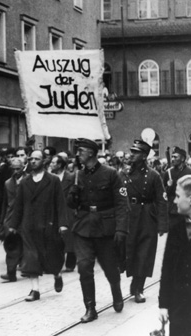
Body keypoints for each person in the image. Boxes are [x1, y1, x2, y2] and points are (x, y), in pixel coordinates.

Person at [67, 138, 129, 324]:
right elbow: (71, 204)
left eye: (81, 151)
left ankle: (116, 293)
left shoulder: (111, 174)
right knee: (84, 267)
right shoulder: (77, 175)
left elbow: (121, 204)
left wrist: (121, 229)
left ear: (92, 153)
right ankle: (90, 308)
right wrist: (73, 192)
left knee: (110, 268)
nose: (78, 154)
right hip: (84, 227)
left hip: (105, 228)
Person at [9, 150, 68, 301]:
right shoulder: (24, 182)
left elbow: (60, 204)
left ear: (44, 161)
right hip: (29, 226)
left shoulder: (53, 180)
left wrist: (62, 224)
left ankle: (57, 274)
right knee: (31, 257)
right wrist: (13, 225)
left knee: (52, 256)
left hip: (49, 224)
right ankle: (35, 290)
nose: (33, 161)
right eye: (31, 159)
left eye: (37, 159)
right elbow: (19, 206)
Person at [121, 140, 168, 303]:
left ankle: (139, 287)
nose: (131, 154)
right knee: (130, 251)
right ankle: (132, 279)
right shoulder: (123, 174)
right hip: (128, 216)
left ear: (144, 156)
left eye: (135, 152)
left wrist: (162, 224)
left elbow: (162, 200)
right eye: (131, 151)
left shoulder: (153, 175)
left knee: (145, 252)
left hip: (147, 217)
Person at [158, 174, 191, 336]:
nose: (175, 201)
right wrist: (163, 304)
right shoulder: (177, 226)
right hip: (179, 305)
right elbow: (167, 268)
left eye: (178, 196)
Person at [0, 157, 27, 282]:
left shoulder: (29, 180)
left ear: (23, 167)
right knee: (11, 245)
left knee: (27, 245)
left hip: (26, 218)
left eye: (18, 168)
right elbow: (4, 203)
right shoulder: (7, 183)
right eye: (13, 169)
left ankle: (28, 267)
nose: (16, 171)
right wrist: (2, 221)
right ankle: (11, 272)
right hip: (10, 218)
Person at [50, 153, 77, 273]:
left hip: (68, 210)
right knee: (55, 239)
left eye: (53, 163)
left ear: (60, 165)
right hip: (53, 211)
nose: (51, 165)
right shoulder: (49, 178)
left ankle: (71, 262)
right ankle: (56, 263)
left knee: (70, 238)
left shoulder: (71, 177)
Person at [163, 146, 191, 228]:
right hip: (171, 209)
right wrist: (168, 186)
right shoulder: (168, 173)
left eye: (175, 157)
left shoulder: (189, 172)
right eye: (172, 157)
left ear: (182, 159)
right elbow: (163, 192)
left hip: (186, 209)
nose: (172, 159)